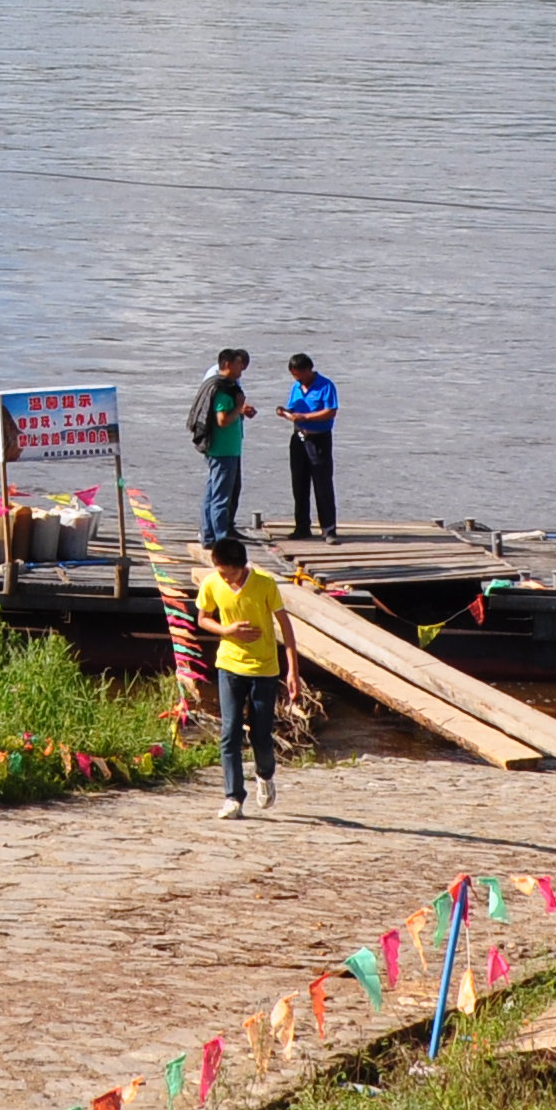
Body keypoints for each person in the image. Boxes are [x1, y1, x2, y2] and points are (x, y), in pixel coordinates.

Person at [192, 535, 294, 817]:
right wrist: (227, 630)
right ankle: (233, 797)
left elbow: (286, 627)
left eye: (231, 574)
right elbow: (203, 618)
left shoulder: (264, 584)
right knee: (230, 732)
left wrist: (293, 670)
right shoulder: (213, 583)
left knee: (260, 734)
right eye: (221, 573)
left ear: (242, 566)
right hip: (229, 665)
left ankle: (265, 774)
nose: (226, 579)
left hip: (264, 669)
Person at [188, 349, 252, 547]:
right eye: (238, 363)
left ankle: (208, 536)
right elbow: (222, 420)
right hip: (223, 450)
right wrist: (238, 408)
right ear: (227, 365)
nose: (241, 367)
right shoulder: (223, 389)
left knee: (213, 492)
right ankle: (220, 540)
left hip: (224, 449)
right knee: (221, 498)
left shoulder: (226, 386)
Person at [279, 351, 339, 543]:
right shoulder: (296, 387)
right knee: (299, 483)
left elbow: (330, 411)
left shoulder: (325, 386)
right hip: (298, 437)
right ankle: (302, 526)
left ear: (308, 370)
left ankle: (328, 528)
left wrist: (305, 417)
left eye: (299, 374)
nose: (297, 379)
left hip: (319, 439)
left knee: (322, 484)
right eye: (294, 375)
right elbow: (293, 408)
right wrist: (285, 412)